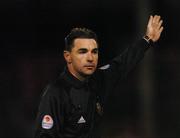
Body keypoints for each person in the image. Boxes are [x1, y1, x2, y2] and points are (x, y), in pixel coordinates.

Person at [34, 15, 163, 138]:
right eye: (83, 51)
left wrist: (147, 39)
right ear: (68, 56)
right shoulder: (56, 92)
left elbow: (122, 63)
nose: (90, 58)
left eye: (94, 52)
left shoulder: (99, 80)